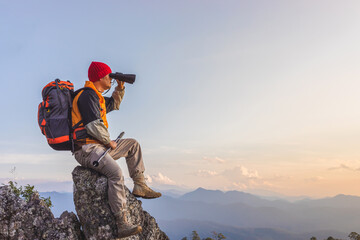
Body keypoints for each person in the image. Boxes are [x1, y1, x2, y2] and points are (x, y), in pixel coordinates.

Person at [71, 61, 161, 238]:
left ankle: (140, 185)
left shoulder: (95, 97)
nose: (110, 80)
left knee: (132, 144)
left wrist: (120, 89)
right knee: (115, 173)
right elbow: (92, 125)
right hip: (87, 150)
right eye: (109, 77)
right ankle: (122, 223)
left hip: (98, 147)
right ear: (101, 77)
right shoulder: (87, 96)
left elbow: (113, 104)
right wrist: (108, 141)